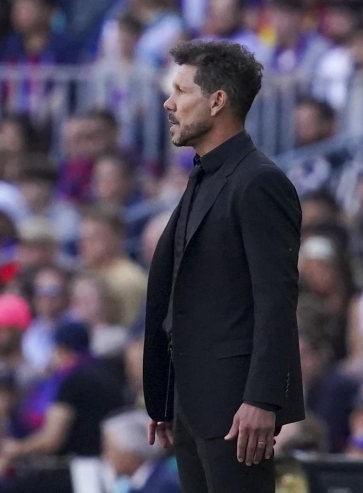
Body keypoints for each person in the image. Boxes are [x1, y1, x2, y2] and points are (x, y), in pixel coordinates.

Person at [143, 40, 304, 493]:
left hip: (237, 409)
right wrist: (165, 394)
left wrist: (262, 399)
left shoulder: (259, 181)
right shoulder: (203, 176)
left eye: (181, 91)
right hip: (192, 404)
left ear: (217, 101)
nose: (168, 103)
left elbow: (276, 299)